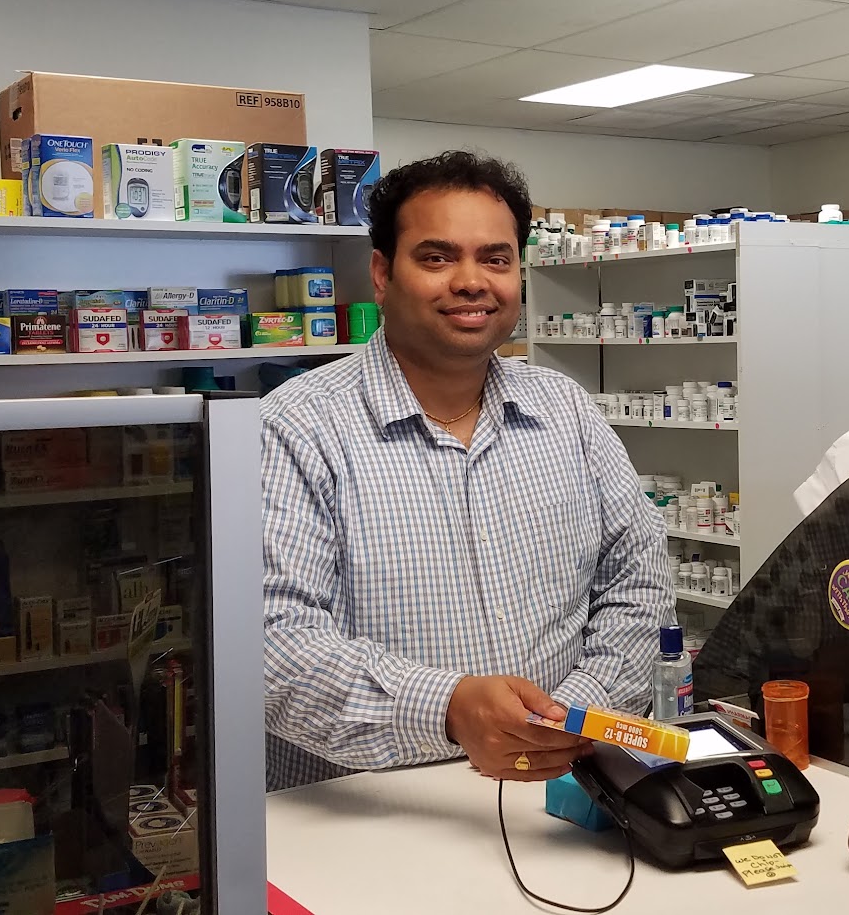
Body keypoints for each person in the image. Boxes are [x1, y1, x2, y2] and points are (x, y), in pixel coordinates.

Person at [260, 149, 673, 791]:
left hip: (558, 788)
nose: (471, 281)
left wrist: (576, 710)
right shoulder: (296, 427)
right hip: (363, 808)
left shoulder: (565, 410)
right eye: (437, 257)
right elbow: (274, 642)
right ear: (382, 274)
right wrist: (447, 710)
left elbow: (639, 577)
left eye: (496, 259)